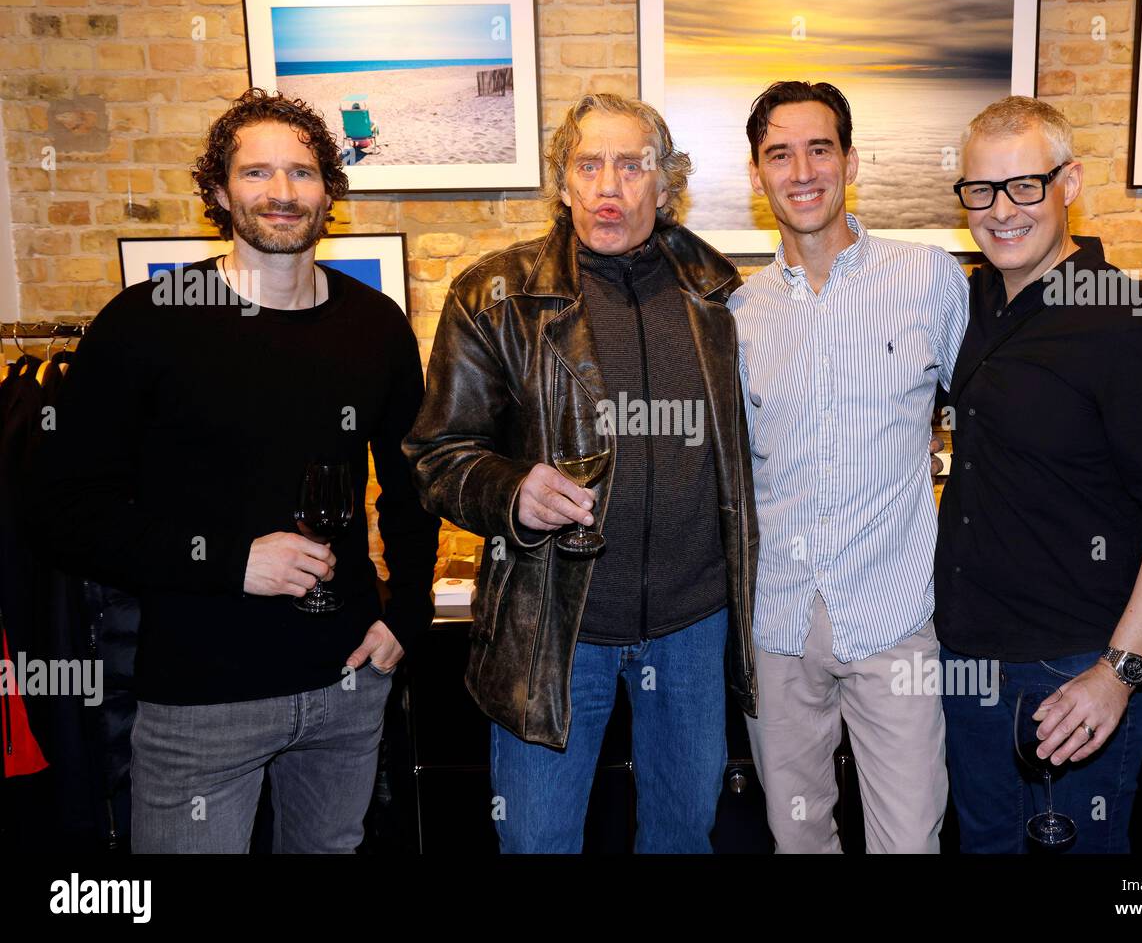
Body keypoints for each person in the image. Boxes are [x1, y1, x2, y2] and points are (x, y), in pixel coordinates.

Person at [34, 88, 439, 852]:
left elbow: (412, 482)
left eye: (303, 173)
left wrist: (407, 615)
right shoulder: (148, 320)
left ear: (329, 190)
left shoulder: (373, 323)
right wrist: (230, 561)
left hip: (347, 683)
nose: (282, 194)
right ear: (219, 192)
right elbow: (62, 510)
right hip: (200, 697)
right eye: (257, 174)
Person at [402, 93, 758, 854]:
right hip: (555, 626)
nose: (608, 185)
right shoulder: (496, 296)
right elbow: (437, 456)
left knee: (682, 838)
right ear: (562, 184)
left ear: (665, 185)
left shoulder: (722, 297)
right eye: (587, 164)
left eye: (631, 166)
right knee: (537, 841)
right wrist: (510, 489)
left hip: (695, 628)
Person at [938, 96, 1142, 853]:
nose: (1000, 212)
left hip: (1071, 671)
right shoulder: (971, 302)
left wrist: (1118, 672)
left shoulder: (1128, 320)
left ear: (1070, 183)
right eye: (980, 191)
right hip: (966, 663)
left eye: (1024, 186)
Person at [728, 81, 966, 853]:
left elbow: (993, 423)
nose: (802, 170)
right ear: (758, 176)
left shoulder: (929, 279)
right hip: (779, 623)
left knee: (909, 841)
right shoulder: (737, 315)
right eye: (779, 154)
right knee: (797, 841)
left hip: (895, 615)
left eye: (819, 148)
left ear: (851, 160)